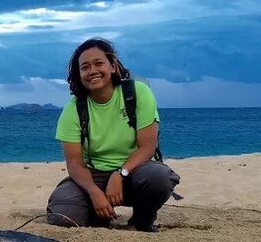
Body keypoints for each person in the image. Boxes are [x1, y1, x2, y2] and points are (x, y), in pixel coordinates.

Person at [46, 38, 179, 231]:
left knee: (158, 177)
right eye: (85, 67)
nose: (92, 71)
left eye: (99, 63)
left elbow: (147, 148)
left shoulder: (137, 93)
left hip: (134, 173)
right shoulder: (74, 108)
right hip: (94, 175)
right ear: (79, 74)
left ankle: (142, 220)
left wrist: (120, 174)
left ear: (113, 66)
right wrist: (93, 191)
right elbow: (74, 163)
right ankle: (99, 216)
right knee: (63, 215)